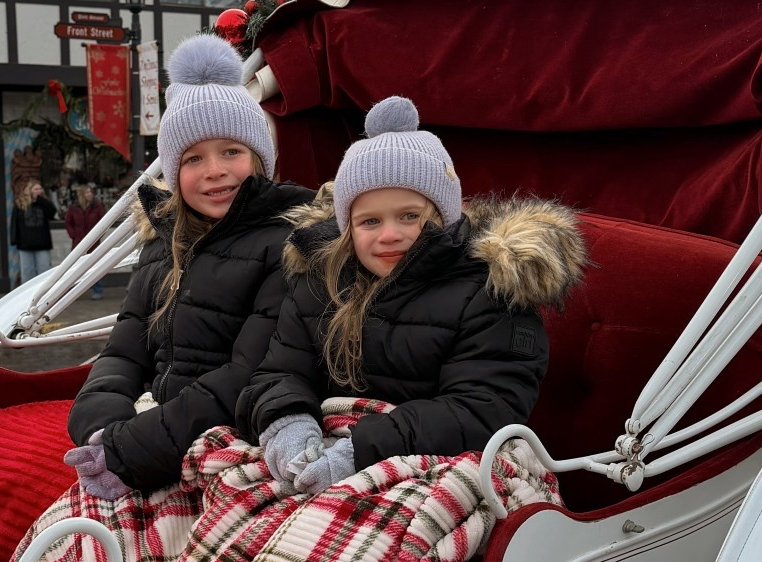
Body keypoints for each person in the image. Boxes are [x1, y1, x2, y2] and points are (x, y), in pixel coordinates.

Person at [240, 96, 586, 494]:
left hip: (438, 460)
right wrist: (288, 422)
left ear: (443, 214)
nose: (390, 234)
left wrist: (361, 453)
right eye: (370, 221)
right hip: (332, 448)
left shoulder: (488, 290)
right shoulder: (321, 281)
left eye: (409, 216)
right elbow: (280, 370)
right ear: (346, 228)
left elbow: (483, 407)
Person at [64, 33, 311, 497]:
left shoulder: (287, 245)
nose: (214, 170)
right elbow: (124, 350)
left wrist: (134, 447)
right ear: (174, 173)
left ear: (260, 159)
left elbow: (248, 372)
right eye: (194, 158)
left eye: (231, 152)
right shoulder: (164, 241)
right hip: (156, 421)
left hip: (237, 427)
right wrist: (101, 426)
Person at [10, 181, 58, 284]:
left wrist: (41, 200)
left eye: (40, 189)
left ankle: (45, 293)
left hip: (42, 243)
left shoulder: (44, 203)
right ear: (29, 190)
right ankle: (28, 295)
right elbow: (14, 222)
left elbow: (52, 213)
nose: (39, 191)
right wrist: (14, 239)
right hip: (25, 243)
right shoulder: (20, 204)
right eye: (36, 189)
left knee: (44, 268)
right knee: (27, 271)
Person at [64, 183, 107, 297]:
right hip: (78, 241)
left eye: (90, 192)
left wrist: (98, 236)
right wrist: (73, 234)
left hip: (93, 242)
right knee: (77, 266)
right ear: (81, 195)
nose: (89, 194)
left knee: (94, 265)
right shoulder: (74, 208)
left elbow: (104, 222)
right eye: (87, 192)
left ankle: (97, 290)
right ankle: (75, 291)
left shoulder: (97, 206)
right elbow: (68, 223)